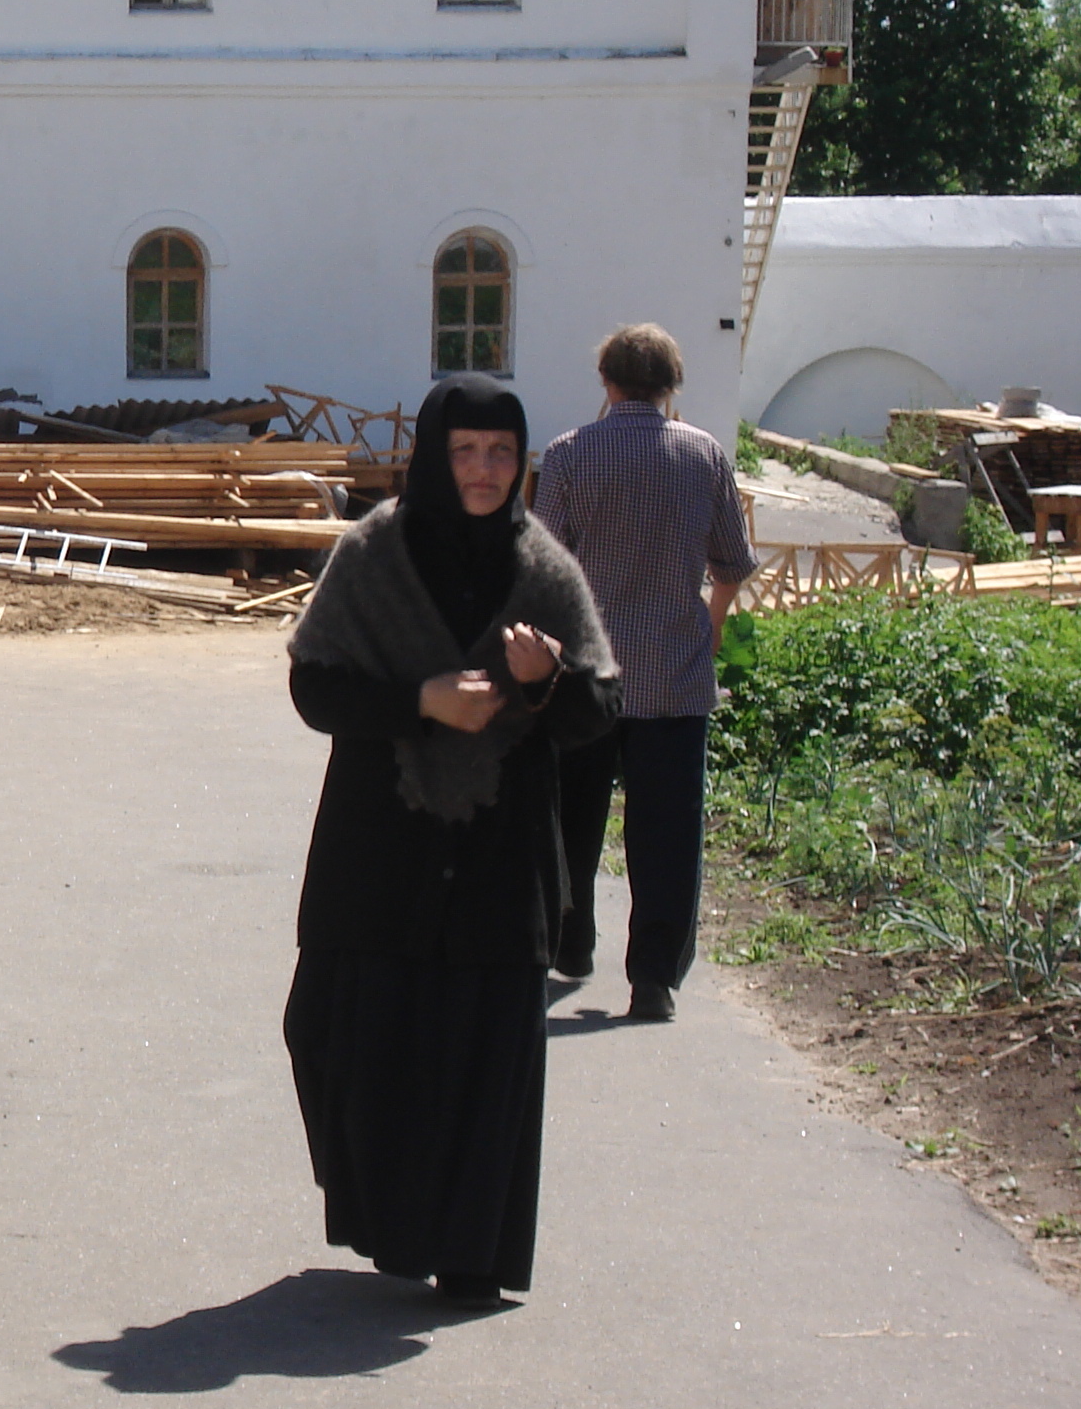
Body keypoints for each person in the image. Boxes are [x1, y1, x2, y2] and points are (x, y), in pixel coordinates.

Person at [281, 375, 619, 1307]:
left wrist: (543, 680)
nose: (482, 470)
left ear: (523, 463)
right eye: (465, 451)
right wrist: (416, 702)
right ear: (434, 453)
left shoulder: (545, 570)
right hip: (377, 849)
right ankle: (389, 1221)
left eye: (501, 453)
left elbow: (598, 713)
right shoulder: (371, 557)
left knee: (482, 1057)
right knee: (336, 1036)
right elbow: (316, 689)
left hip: (499, 857)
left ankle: (473, 1256)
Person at [534, 324, 758, 1021]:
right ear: (672, 385)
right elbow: (732, 566)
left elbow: (543, 566)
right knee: (666, 831)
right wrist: (712, 626)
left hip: (584, 677)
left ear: (606, 381)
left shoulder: (571, 455)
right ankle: (655, 976)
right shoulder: (704, 456)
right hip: (673, 674)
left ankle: (571, 944)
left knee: (572, 817)